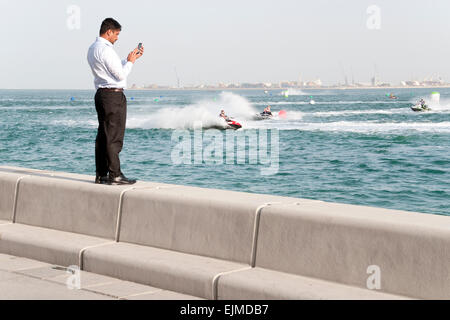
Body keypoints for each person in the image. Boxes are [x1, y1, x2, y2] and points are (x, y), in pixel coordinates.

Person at [87, 18, 144, 185]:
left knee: (103, 136)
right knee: (114, 137)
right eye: (117, 34)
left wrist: (127, 59)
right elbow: (120, 75)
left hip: (101, 95)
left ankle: (101, 174)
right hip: (113, 96)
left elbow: (111, 70)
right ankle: (115, 175)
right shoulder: (107, 50)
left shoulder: (93, 48)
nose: (117, 38)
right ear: (109, 31)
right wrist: (131, 63)